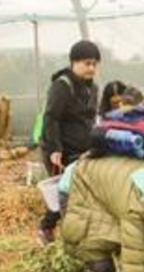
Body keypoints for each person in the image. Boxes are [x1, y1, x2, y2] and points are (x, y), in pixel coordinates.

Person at [38, 40, 101, 245]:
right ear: (74, 62)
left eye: (94, 64)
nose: (91, 68)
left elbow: (91, 118)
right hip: (60, 149)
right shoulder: (62, 86)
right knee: (63, 193)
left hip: (82, 149)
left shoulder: (93, 89)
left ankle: (78, 233)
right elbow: (51, 118)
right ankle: (48, 228)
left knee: (81, 192)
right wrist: (55, 148)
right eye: (87, 63)